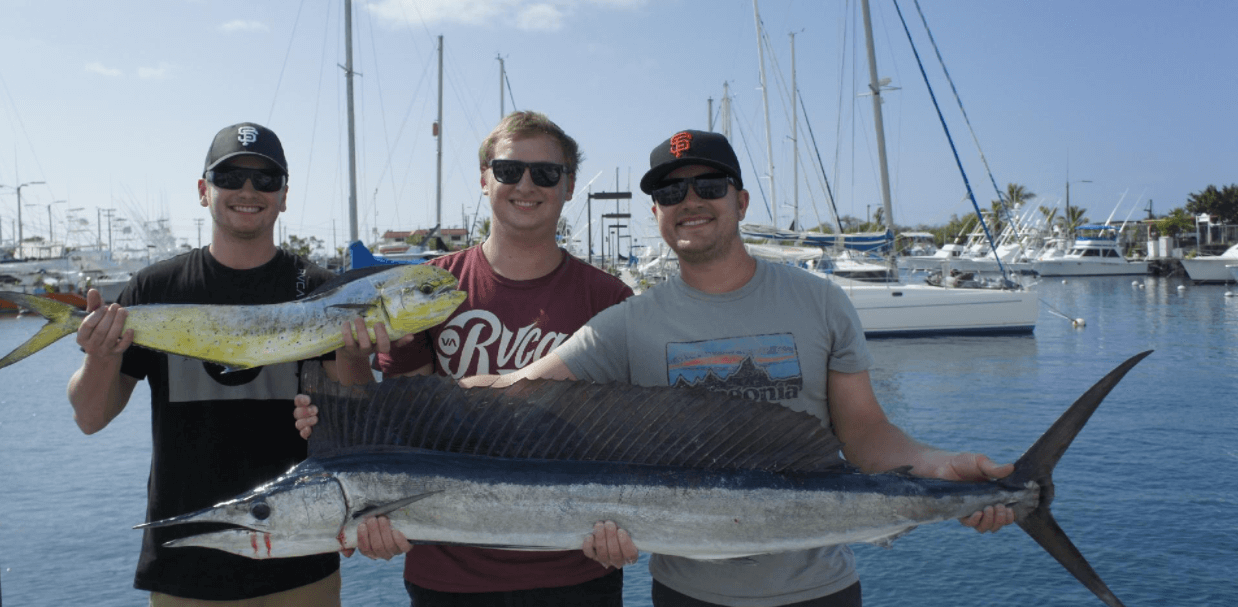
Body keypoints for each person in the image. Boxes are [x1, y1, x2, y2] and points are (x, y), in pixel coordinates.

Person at [464, 129, 1015, 607]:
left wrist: (940, 467)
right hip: (688, 597)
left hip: (820, 592)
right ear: (654, 212)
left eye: (709, 186)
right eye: (671, 191)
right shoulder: (626, 325)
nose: (691, 201)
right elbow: (510, 391)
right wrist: (379, 373)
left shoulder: (821, 302)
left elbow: (866, 435)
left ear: (741, 201)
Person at [301, 110, 634, 606]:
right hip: (447, 575)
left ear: (568, 187)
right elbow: (396, 424)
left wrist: (635, 528)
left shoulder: (611, 298)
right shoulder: (423, 290)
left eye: (546, 173)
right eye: (508, 170)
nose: (526, 184)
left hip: (578, 568)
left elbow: (628, 436)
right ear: (484, 179)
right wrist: (349, 355)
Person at [68, 122, 346, 605]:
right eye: (230, 176)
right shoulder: (154, 290)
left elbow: (353, 414)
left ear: (284, 196)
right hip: (184, 565)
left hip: (302, 558)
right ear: (203, 191)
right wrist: (100, 358)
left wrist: (358, 355)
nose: (248, 190)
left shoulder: (322, 290)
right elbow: (90, 417)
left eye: (266, 180)